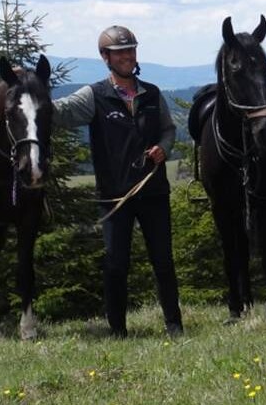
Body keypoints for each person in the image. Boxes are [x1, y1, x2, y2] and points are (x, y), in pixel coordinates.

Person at [53, 25, 183, 338]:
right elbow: (59, 113)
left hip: (153, 190)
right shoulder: (94, 95)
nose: (126, 56)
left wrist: (163, 149)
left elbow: (168, 129)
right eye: (119, 52)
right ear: (105, 57)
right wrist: (27, 91)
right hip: (114, 196)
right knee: (116, 264)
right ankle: (118, 330)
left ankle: (175, 325)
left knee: (163, 260)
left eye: (130, 50)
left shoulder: (151, 94)